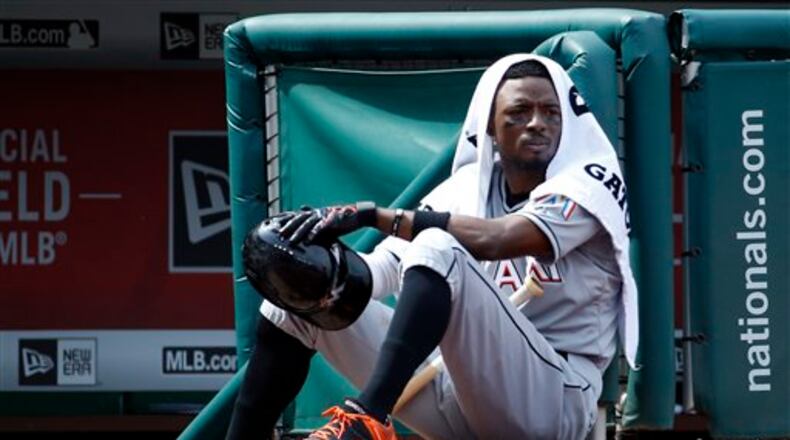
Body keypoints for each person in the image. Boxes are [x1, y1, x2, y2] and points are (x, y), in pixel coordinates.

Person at [226, 54, 639, 440]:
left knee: (438, 244)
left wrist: (369, 214)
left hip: (555, 400)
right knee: (302, 303)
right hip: (461, 393)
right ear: (490, 127)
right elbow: (379, 272)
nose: (538, 123)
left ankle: (367, 418)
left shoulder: (588, 183)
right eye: (519, 112)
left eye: (552, 113)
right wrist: (322, 262)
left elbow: (498, 239)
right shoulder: (468, 186)